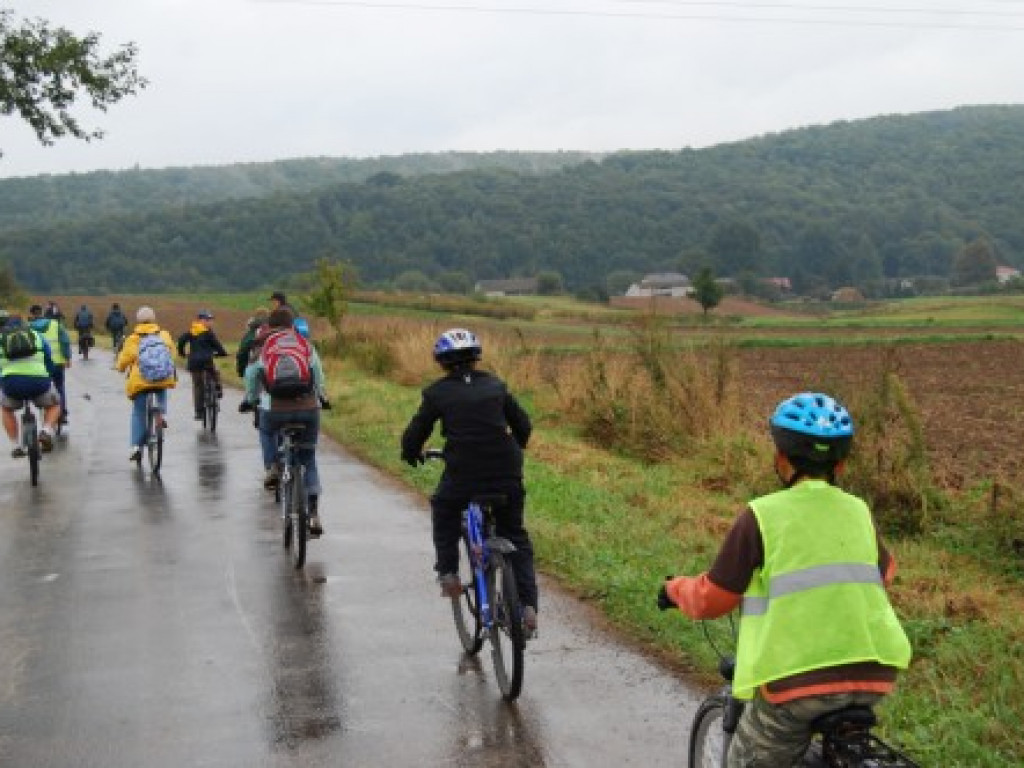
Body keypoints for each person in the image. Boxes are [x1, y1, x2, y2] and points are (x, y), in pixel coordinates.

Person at [660, 392, 912, 767]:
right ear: (841, 465)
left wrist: (673, 589)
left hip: (797, 685)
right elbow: (883, 575)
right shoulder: (858, 511)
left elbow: (712, 599)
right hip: (874, 674)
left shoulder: (762, 516)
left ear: (781, 458)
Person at [400, 328, 539, 635]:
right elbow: (523, 427)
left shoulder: (437, 393)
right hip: (507, 470)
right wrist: (514, 446)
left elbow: (417, 431)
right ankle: (528, 607)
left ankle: (448, 573)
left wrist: (410, 453)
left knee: (444, 507)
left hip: (463, 473)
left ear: (441, 362)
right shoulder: (496, 386)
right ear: (476, 358)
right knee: (515, 534)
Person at [240, 307, 329, 536]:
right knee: (308, 458)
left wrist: (250, 400)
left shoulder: (265, 345)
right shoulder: (304, 343)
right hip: (308, 409)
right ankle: (313, 514)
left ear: (270, 325)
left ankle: (273, 466)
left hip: (275, 408)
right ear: (292, 325)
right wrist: (322, 396)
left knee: (266, 430)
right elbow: (317, 372)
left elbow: (251, 375)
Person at [116, 306, 177, 462]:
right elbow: (172, 354)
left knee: (138, 412)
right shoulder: (164, 335)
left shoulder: (133, 339)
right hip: (162, 378)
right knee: (161, 387)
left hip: (140, 381)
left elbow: (123, 361)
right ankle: (160, 415)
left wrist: (120, 367)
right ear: (154, 319)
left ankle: (136, 447)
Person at [0, 313, 61, 456]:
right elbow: (48, 360)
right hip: (38, 381)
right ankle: (45, 431)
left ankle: (16, 446)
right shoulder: (37, 336)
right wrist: (49, 375)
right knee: (54, 404)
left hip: (11, 384)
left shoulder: (1, 339)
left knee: (6, 409)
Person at [176, 310, 228, 421]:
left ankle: (199, 412)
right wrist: (222, 353)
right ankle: (217, 389)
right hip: (206, 360)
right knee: (215, 372)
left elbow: (181, 340)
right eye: (207, 320)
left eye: (210, 320)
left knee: (198, 386)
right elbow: (217, 345)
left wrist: (181, 352)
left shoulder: (191, 331)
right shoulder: (208, 332)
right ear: (200, 320)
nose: (210, 322)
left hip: (194, 362)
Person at [27, 304, 72, 425]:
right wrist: (67, 358)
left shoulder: (29, 327)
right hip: (57, 363)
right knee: (59, 387)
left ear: (31, 315)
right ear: (42, 313)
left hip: (38, 365)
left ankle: (42, 411)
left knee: (40, 388)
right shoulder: (56, 325)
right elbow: (65, 342)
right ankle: (62, 412)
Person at [235, 307, 269, 378]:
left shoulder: (251, 330)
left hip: (253, 362)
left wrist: (241, 371)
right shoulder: (273, 327)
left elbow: (243, 351)